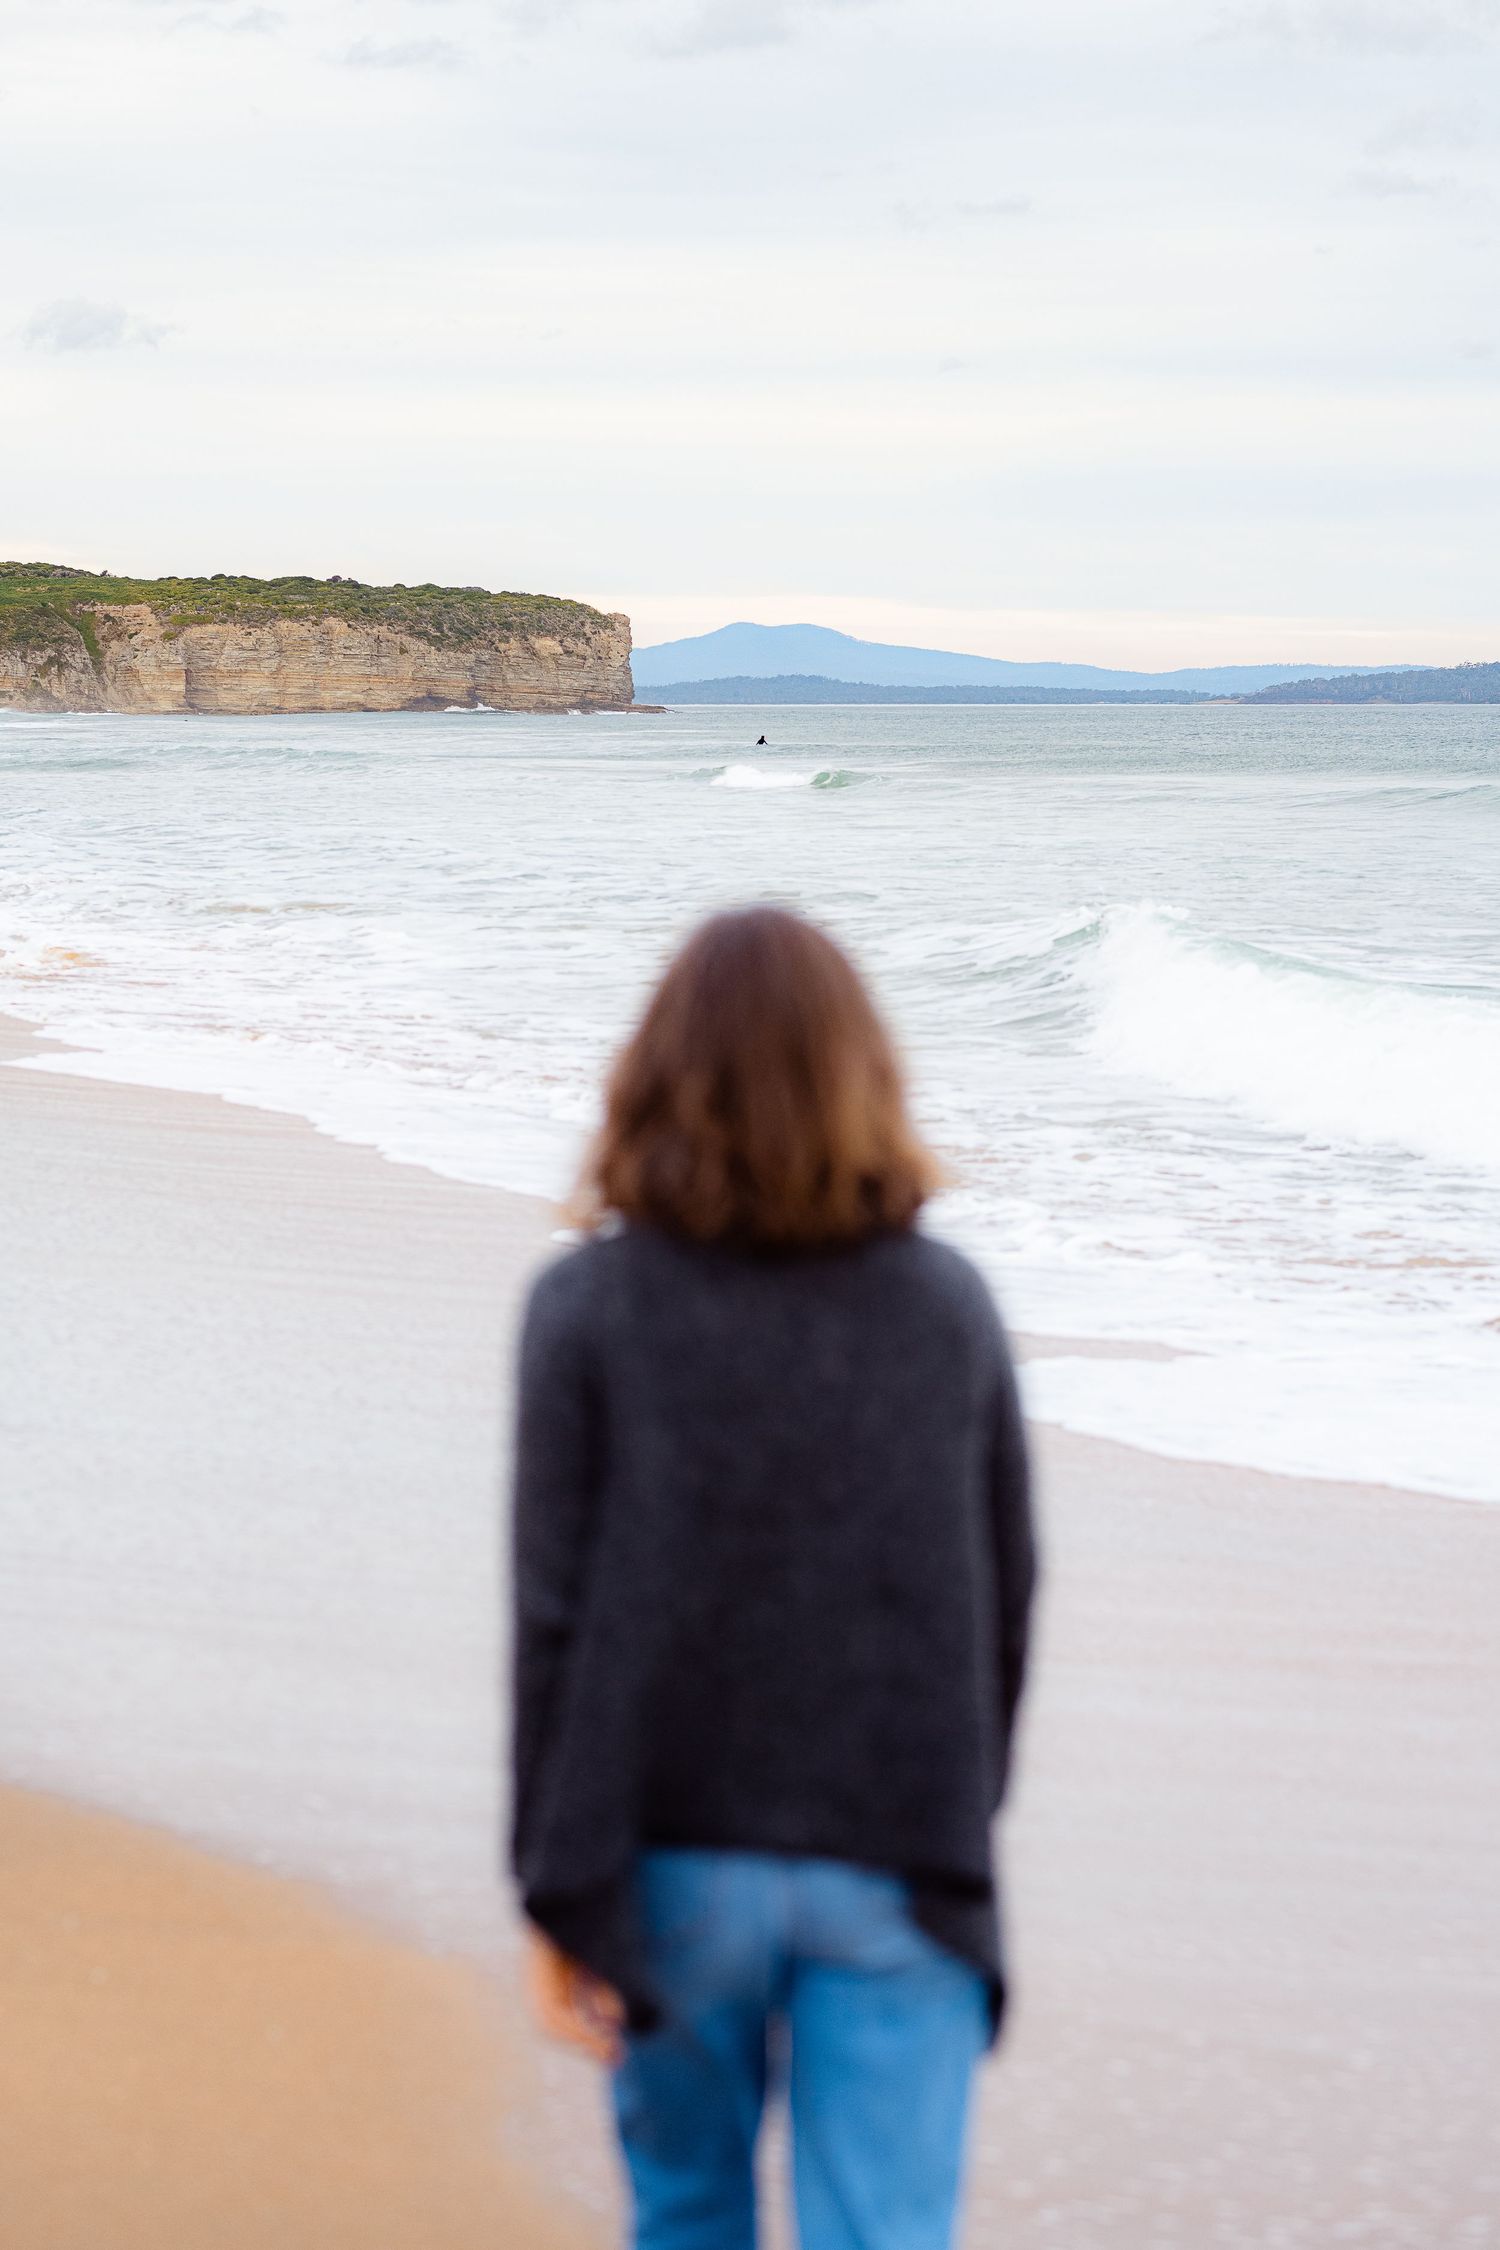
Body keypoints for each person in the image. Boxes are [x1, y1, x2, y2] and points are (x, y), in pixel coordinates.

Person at [510, 905, 1036, 2250]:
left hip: (667, 1858)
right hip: (896, 1851)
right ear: (865, 1075)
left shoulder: (587, 1308)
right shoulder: (946, 1308)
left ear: (654, 1075)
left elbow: (553, 1623)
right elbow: (1004, 1602)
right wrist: (952, 1827)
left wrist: (556, 1884)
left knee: (688, 2218)